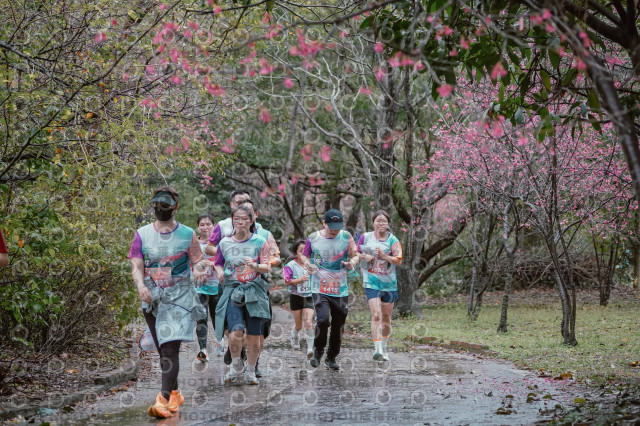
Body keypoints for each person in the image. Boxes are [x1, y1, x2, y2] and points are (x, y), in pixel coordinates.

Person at [128, 187, 207, 418]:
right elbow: (136, 264)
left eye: (165, 206)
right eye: (157, 206)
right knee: (163, 350)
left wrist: (200, 269)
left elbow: (198, 260)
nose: (160, 209)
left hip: (179, 296)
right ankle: (174, 394)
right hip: (152, 297)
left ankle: (162, 400)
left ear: (175, 207)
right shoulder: (142, 234)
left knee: (171, 347)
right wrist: (141, 286)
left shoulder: (187, 233)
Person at [213, 205, 271, 385]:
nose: (241, 222)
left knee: (254, 336)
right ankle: (236, 364)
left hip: (255, 291)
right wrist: (220, 273)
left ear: (252, 220)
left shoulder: (260, 241)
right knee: (235, 331)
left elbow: (267, 266)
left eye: (245, 218)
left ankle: (251, 371)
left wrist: (255, 266)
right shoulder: (224, 243)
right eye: (237, 218)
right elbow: (218, 263)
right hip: (233, 291)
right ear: (232, 220)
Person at [300, 209, 357, 370]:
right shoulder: (313, 238)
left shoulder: (346, 237)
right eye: (331, 227)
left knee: (339, 323)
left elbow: (355, 254)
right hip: (319, 286)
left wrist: (352, 262)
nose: (334, 231)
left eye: (337, 228)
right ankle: (318, 351)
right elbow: (304, 255)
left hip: (340, 288)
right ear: (324, 223)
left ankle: (331, 357)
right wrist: (308, 264)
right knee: (323, 319)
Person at [239, 199, 280, 377]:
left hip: (259, 286)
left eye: (249, 212)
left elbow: (276, 257)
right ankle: (239, 354)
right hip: (237, 287)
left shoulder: (265, 234)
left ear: (255, 215)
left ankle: (254, 362)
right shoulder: (230, 235)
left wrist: (263, 263)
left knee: (262, 328)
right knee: (237, 326)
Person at [355, 210, 402, 361]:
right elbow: (356, 253)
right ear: (373, 223)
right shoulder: (365, 237)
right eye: (378, 220)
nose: (381, 223)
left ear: (388, 223)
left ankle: (384, 346)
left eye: (384, 221)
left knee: (386, 317)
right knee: (376, 315)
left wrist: (384, 256)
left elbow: (398, 260)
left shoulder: (393, 240)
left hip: (389, 284)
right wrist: (364, 256)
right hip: (371, 282)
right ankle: (377, 349)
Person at [195, 214, 224, 362]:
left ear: (214, 226)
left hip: (217, 286)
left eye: (208, 224)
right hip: (199, 287)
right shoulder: (194, 244)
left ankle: (220, 341)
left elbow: (227, 262)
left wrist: (215, 264)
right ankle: (203, 350)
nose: (205, 227)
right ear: (198, 227)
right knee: (201, 317)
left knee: (217, 317)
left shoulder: (221, 243)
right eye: (202, 224)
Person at [283, 240, 314, 358]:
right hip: (296, 297)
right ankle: (295, 333)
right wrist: (300, 280)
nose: (304, 254)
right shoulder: (290, 265)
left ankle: (310, 349)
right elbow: (287, 281)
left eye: (306, 251)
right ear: (296, 253)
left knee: (308, 323)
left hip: (309, 297)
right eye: (301, 251)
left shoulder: (312, 264)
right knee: (299, 325)